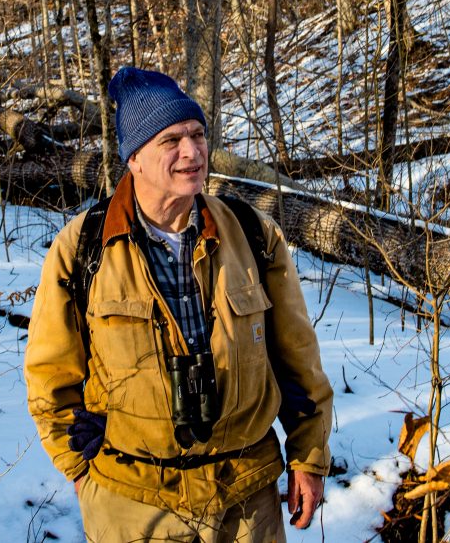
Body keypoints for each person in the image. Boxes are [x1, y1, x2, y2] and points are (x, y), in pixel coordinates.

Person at [25, 66, 333, 542]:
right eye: (171, 140)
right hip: (134, 505)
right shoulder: (83, 248)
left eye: (197, 134)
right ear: (135, 159)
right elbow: (50, 377)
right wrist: (81, 472)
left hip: (246, 501)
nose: (192, 151)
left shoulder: (253, 235)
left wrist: (308, 457)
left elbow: (299, 361)